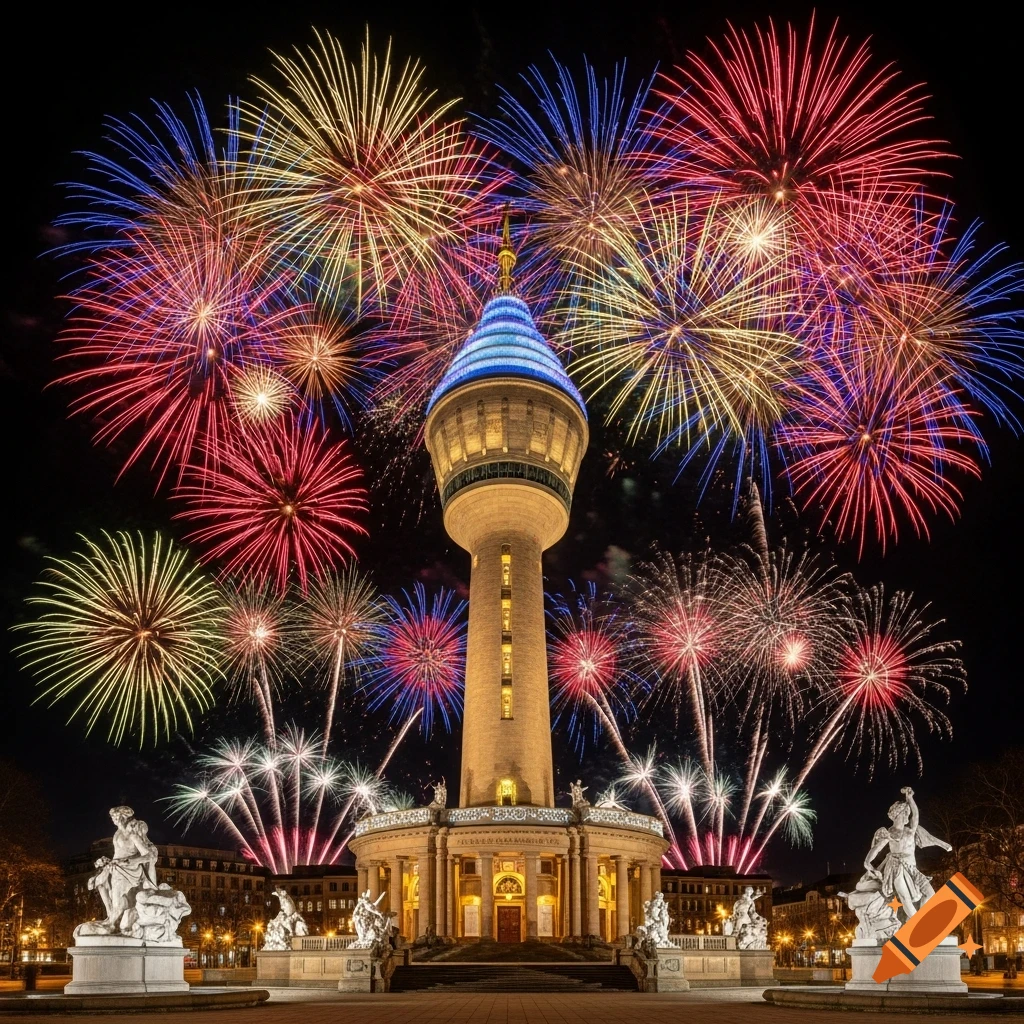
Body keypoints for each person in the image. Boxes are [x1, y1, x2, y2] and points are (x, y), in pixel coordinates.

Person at [862, 787, 951, 919]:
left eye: (907, 814)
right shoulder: (889, 833)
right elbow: (877, 848)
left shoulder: (910, 831)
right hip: (897, 867)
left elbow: (916, 815)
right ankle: (916, 923)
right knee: (905, 898)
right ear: (899, 814)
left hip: (912, 868)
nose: (907, 816)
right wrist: (867, 861)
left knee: (930, 893)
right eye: (905, 813)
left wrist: (910, 798)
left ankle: (920, 919)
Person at [85, 807, 159, 930]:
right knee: (98, 882)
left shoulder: (132, 835)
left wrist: (130, 861)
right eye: (112, 817)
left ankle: (111, 922)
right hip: (115, 866)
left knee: (118, 898)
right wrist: (106, 861)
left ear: (123, 817)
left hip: (129, 870)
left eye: (115, 817)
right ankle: (110, 917)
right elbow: (118, 853)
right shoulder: (117, 833)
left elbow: (148, 855)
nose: (113, 820)